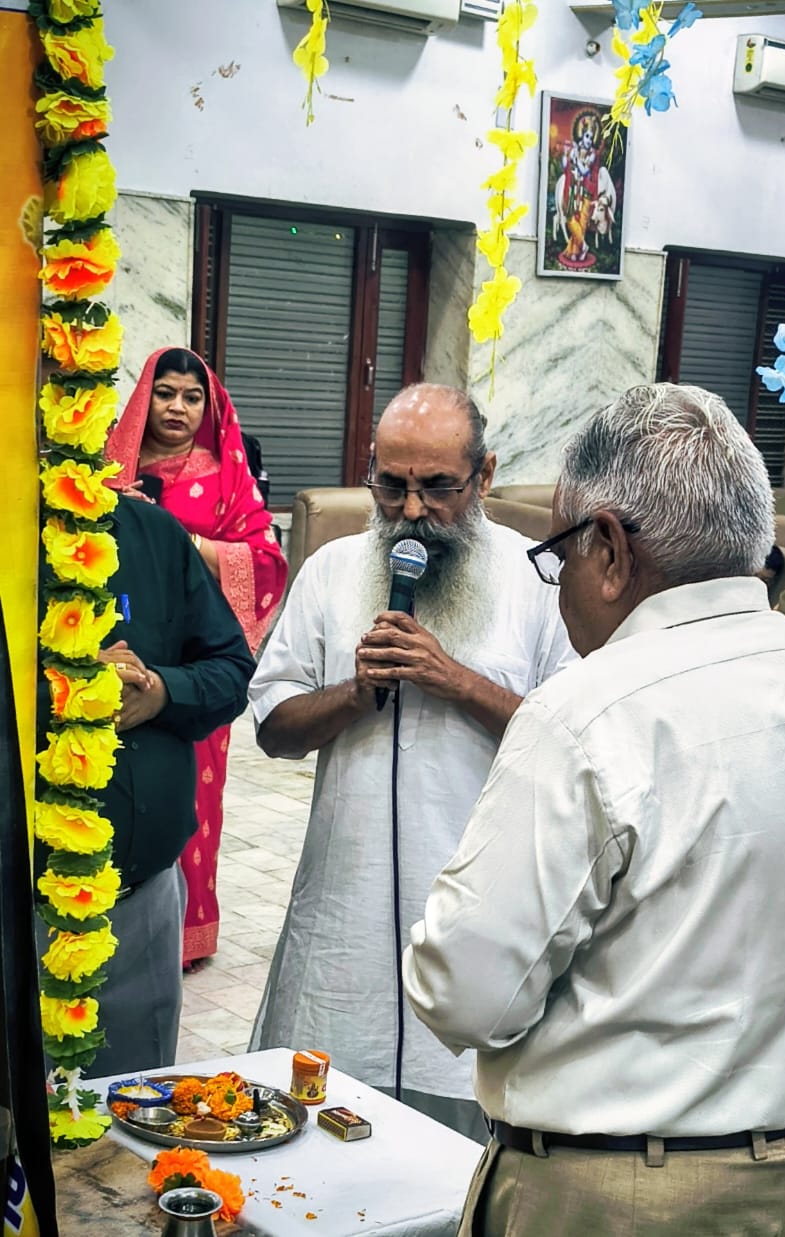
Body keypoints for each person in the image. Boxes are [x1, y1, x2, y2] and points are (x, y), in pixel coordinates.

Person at [402, 383, 785, 1237]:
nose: (559, 584)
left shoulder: (588, 712)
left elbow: (463, 993)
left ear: (608, 547)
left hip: (625, 1196)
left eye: (559, 556)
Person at [247, 383, 573, 1138]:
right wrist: (355, 695)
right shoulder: (331, 571)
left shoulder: (538, 581)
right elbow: (273, 727)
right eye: (391, 484)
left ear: (484, 475)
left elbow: (575, 744)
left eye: (438, 487)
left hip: (481, 930)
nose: (413, 510)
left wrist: (453, 678)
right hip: (343, 931)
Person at [35, 494, 253, 1076]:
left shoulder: (150, 532)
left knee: (132, 1117)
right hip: (20, 903)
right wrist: (64, 690)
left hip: (140, 902)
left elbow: (232, 669)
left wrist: (160, 690)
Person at [102, 346, 287, 970]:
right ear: (142, 397)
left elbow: (264, 560)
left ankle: (183, 931)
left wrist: (188, 543)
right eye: (165, 393)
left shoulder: (222, 472)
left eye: (192, 397)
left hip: (190, 663)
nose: (177, 408)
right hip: (111, 651)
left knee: (193, 794)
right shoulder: (105, 468)